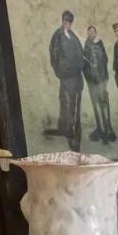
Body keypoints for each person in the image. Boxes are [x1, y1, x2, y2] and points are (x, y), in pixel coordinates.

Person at [48, 10, 84, 149]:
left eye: (68, 22)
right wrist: (60, 70)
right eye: (64, 21)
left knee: (73, 103)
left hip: (76, 75)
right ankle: (68, 132)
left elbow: (80, 53)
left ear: (71, 23)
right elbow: (53, 53)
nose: (66, 24)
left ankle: (71, 130)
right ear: (62, 21)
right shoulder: (58, 35)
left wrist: (80, 66)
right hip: (66, 75)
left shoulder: (73, 37)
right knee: (67, 102)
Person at [82, 25, 116, 143]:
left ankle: (108, 130)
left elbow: (105, 59)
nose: (91, 33)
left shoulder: (100, 44)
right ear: (88, 34)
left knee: (104, 103)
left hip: (101, 79)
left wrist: (99, 67)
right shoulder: (86, 45)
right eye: (89, 32)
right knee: (95, 105)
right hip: (91, 81)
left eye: (93, 32)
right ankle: (100, 129)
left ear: (95, 33)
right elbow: (84, 63)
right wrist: (89, 73)